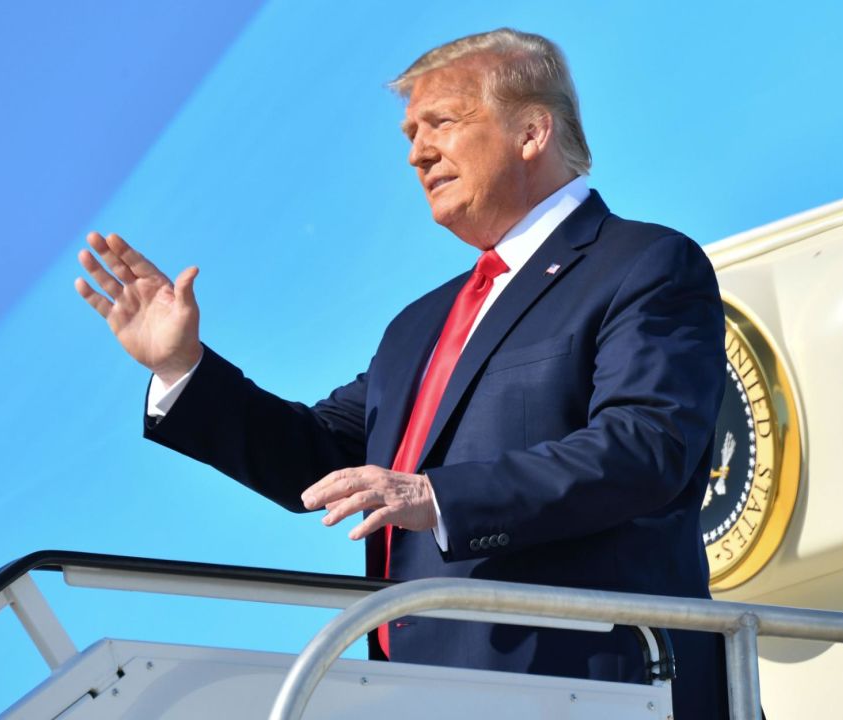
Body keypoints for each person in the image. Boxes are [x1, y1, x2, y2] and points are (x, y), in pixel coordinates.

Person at [75, 28, 727, 719]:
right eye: (410, 133)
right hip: (422, 697)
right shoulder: (420, 324)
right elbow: (324, 459)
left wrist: (439, 497)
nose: (417, 153)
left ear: (532, 131)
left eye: (441, 123)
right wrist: (183, 368)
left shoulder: (644, 264)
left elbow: (644, 447)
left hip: (602, 688)